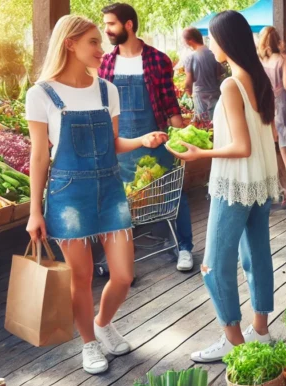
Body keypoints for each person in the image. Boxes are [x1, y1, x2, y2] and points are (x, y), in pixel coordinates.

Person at [25, 16, 168, 374]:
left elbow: (113, 144)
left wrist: (142, 139)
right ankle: (89, 343)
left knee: (122, 275)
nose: (101, 48)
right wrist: (34, 212)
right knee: (82, 278)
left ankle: (103, 323)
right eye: (92, 41)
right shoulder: (41, 94)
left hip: (110, 189)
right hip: (68, 194)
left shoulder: (108, 90)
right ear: (70, 43)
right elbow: (39, 156)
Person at [169, 10, 278, 362]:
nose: (211, 44)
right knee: (256, 254)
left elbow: (241, 146)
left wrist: (200, 152)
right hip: (260, 181)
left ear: (226, 41)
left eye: (214, 38)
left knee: (213, 264)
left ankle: (233, 340)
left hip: (234, 184)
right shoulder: (257, 79)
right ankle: (260, 330)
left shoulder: (232, 84)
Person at [99, 3, 195, 273]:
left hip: (156, 138)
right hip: (121, 145)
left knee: (175, 194)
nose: (106, 30)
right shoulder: (106, 62)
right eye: (105, 24)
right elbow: (104, 107)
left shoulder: (157, 59)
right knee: (118, 200)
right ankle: (116, 257)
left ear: (129, 25)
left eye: (111, 24)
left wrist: (183, 138)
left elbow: (170, 104)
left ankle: (185, 247)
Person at [258, 26, 286, 208]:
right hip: (280, 105)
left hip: (264, 105)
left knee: (269, 148)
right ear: (278, 41)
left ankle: (278, 188)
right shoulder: (284, 60)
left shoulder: (261, 60)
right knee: (283, 149)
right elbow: (285, 85)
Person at [181, 27, 224, 122]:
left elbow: (188, 82)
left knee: (204, 125)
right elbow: (220, 74)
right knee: (216, 121)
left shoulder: (190, 57)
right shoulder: (214, 53)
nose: (183, 43)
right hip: (216, 93)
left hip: (200, 96)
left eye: (183, 40)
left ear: (190, 41)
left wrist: (188, 94)